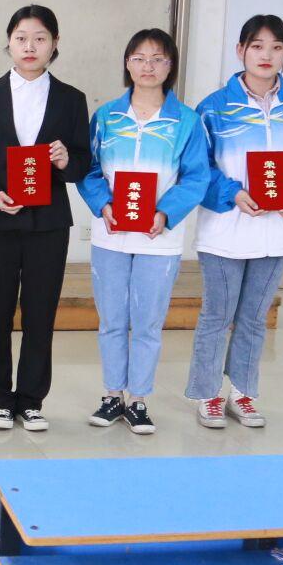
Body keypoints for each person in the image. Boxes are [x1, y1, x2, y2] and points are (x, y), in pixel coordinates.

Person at [184, 15, 283, 429]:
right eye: (257, 46)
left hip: (275, 231)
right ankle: (208, 394)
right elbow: (198, 167)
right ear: (240, 51)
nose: (267, 55)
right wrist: (232, 193)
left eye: (276, 47)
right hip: (224, 231)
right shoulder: (214, 108)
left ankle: (243, 394)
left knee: (254, 317)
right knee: (217, 316)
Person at [0, 5, 92, 431]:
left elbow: (82, 164)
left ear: (54, 44)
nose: (30, 46)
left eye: (39, 38)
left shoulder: (71, 99)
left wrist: (66, 160)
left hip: (48, 225)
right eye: (21, 38)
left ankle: (31, 400)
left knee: (40, 314)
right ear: (9, 43)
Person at [77, 28, 209, 436]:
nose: (148, 66)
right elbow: (88, 168)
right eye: (139, 58)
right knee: (112, 320)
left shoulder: (186, 121)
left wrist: (166, 213)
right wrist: (103, 204)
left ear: (171, 66)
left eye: (158, 59)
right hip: (111, 235)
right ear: (127, 64)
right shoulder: (107, 117)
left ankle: (139, 400)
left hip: (159, 239)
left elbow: (196, 177)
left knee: (148, 323)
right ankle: (112, 395)